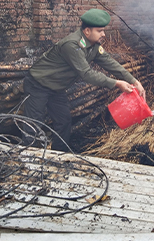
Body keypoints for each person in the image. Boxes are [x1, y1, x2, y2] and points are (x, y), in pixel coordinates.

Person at [22, 8, 145, 150]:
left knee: (64, 121)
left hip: (56, 88)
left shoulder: (93, 46)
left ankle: (59, 156)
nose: (104, 34)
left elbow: (111, 63)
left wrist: (134, 81)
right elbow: (86, 73)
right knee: (33, 123)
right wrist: (116, 83)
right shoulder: (72, 45)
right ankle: (28, 158)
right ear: (87, 31)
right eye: (100, 31)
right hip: (38, 84)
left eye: (103, 30)